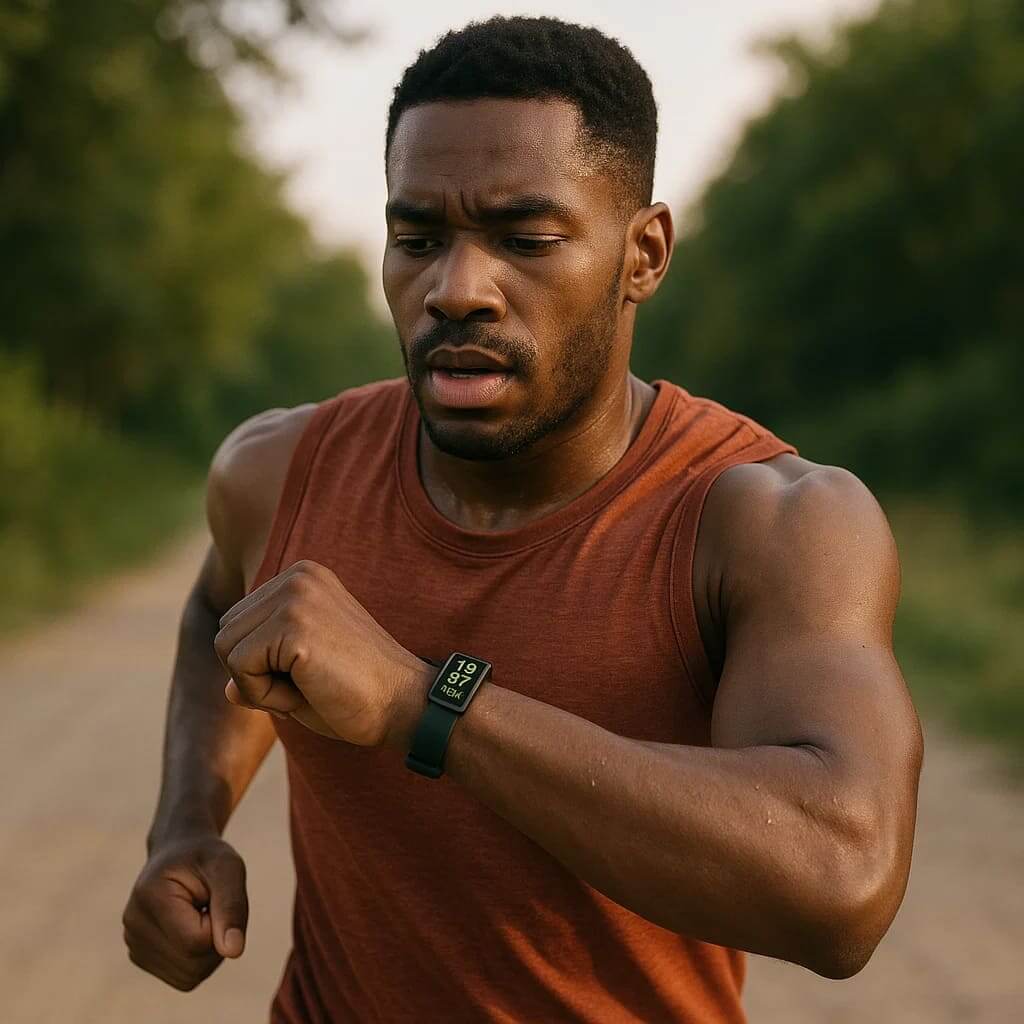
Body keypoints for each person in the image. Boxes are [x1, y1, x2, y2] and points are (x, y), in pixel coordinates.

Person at [122, 15, 924, 1023]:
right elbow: (218, 612)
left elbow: (840, 888)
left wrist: (427, 703)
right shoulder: (277, 470)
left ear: (643, 254)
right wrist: (187, 824)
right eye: (417, 238)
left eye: (525, 240)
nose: (455, 290)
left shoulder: (768, 522)